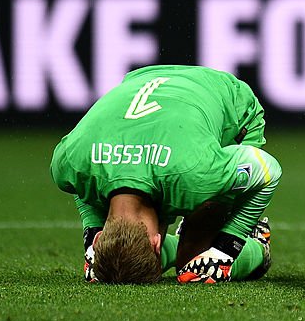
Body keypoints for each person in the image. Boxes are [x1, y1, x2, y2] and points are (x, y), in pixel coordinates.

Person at [50, 65, 280, 284]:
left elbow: (269, 170)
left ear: (156, 243)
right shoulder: (70, 164)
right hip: (144, 78)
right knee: (155, 266)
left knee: (197, 261)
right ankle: (185, 239)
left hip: (228, 102)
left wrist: (229, 244)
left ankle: (257, 243)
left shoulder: (196, 174)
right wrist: (93, 234)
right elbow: (79, 180)